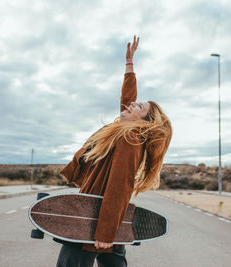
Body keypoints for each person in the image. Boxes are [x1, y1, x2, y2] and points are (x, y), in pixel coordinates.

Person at [55, 35, 173, 267]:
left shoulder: (130, 139)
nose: (130, 105)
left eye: (138, 107)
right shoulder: (126, 132)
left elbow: (120, 185)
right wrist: (129, 66)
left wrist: (105, 233)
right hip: (107, 218)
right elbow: (127, 101)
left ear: (145, 122)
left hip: (94, 218)